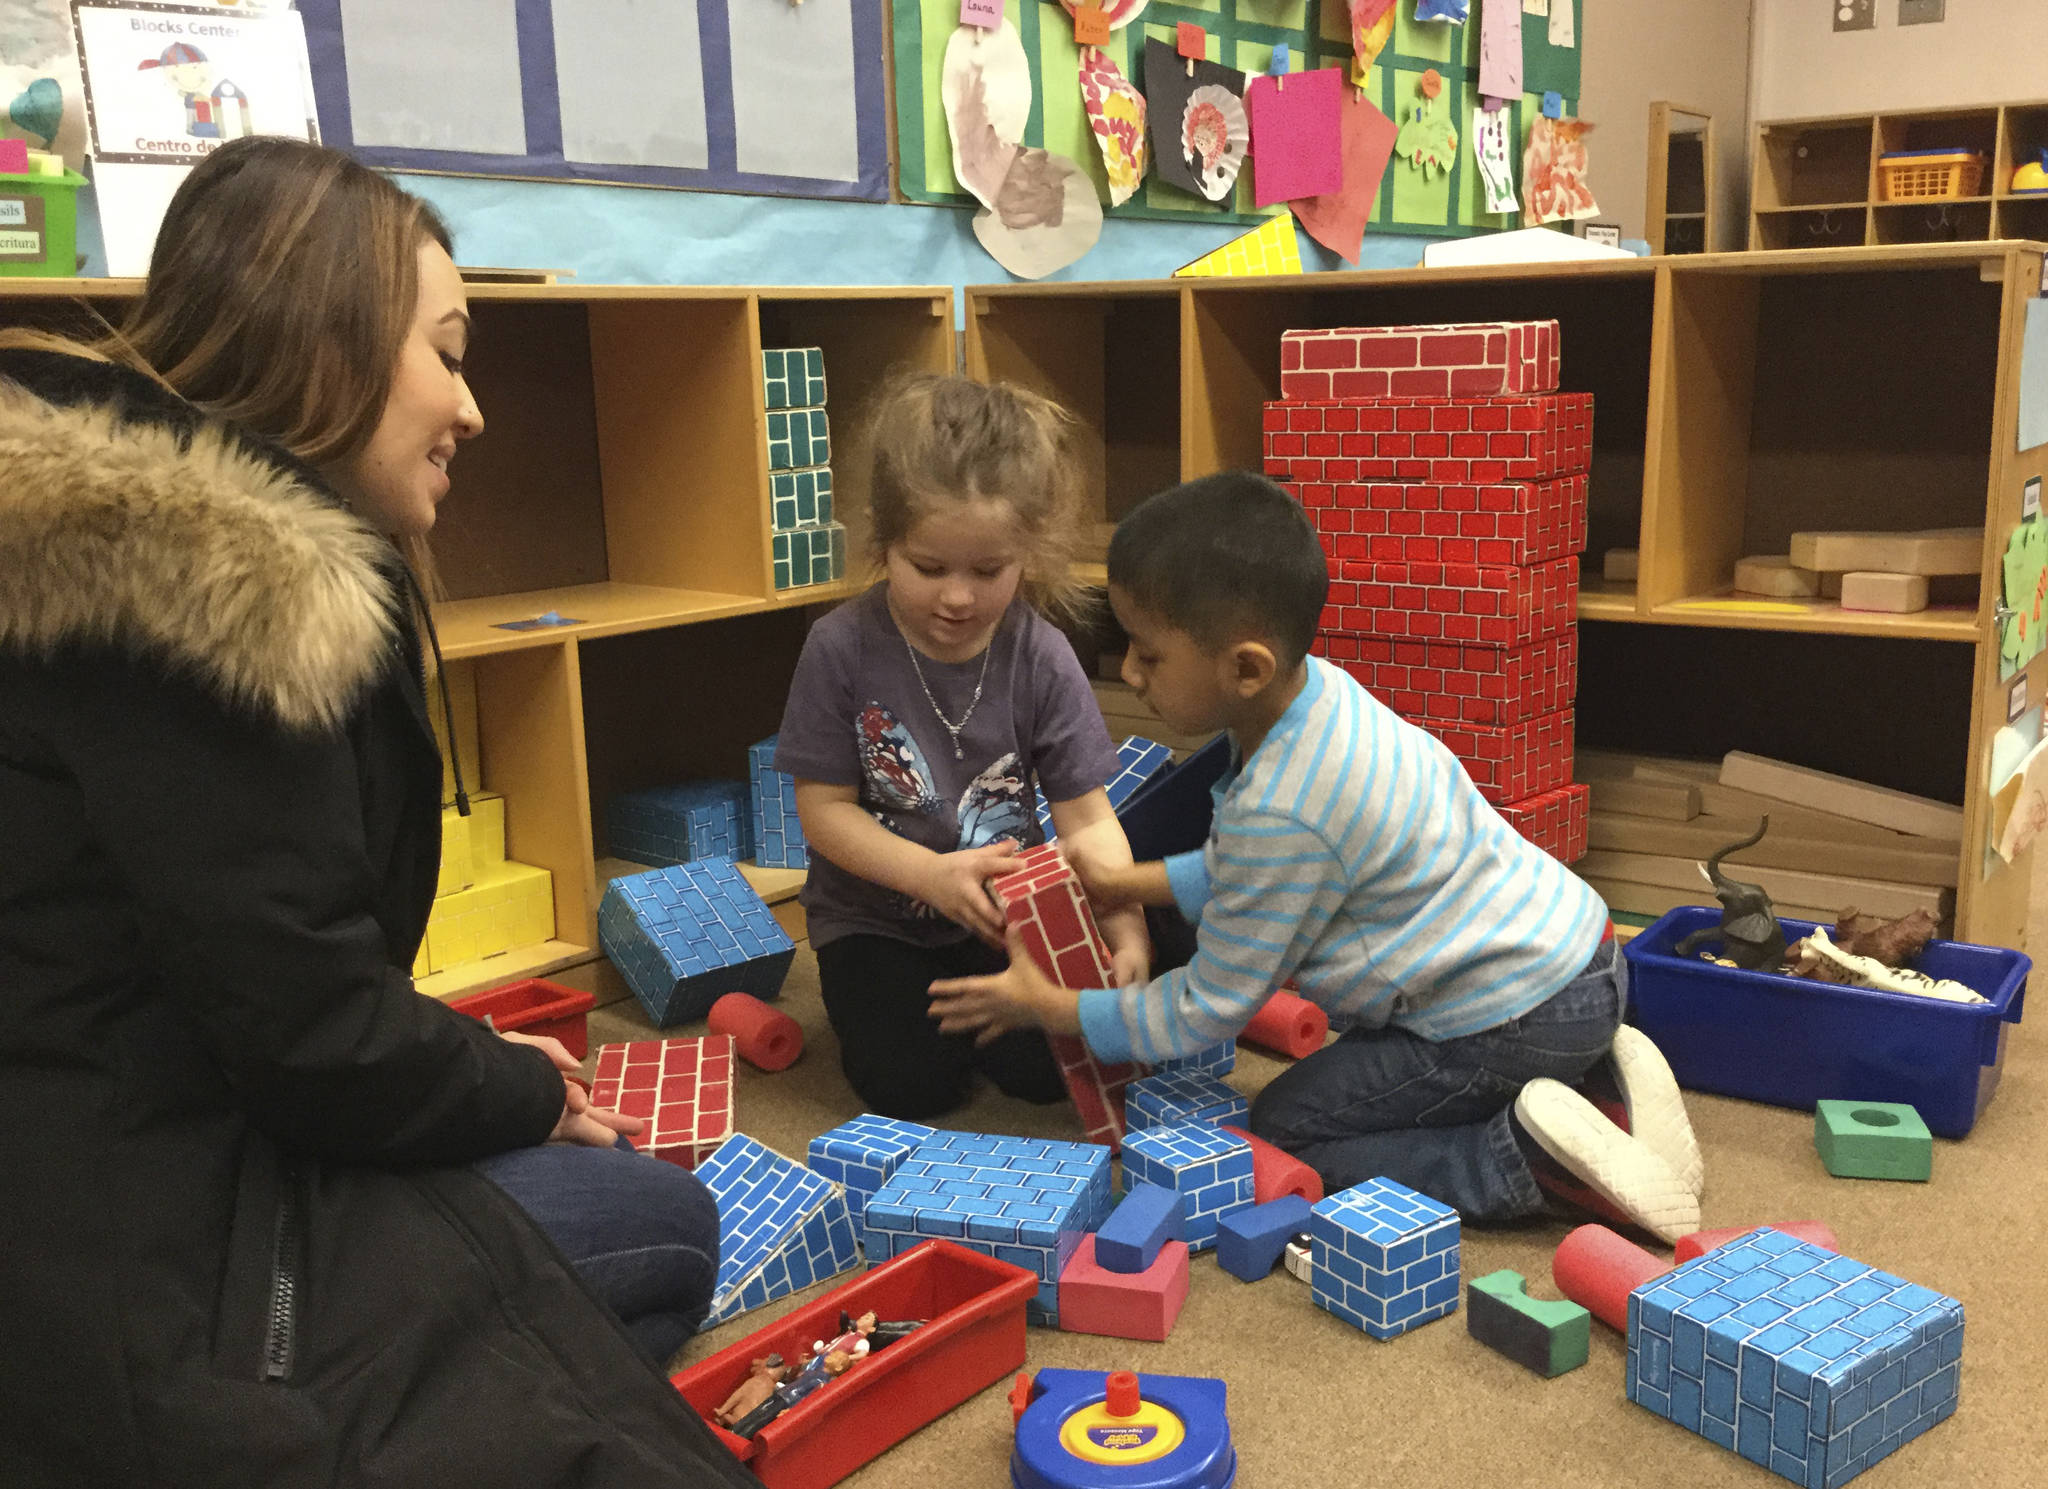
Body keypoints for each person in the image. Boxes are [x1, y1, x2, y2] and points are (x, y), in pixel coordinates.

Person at [0, 137, 749, 1487]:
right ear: (326, 339)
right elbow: (316, 1041)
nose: (474, 411)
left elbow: (252, 973)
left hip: (102, 1179)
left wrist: (465, 1072)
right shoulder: (205, 622)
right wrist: (514, 1087)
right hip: (136, 1280)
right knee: (661, 1228)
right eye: (449, 351)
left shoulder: (93, 566)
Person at [928, 471, 1705, 1244]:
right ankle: (1595, 1091)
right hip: (1578, 956)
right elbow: (1249, 866)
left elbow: (1209, 1006)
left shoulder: (1284, 807)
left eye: (1149, 654)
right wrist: (1125, 881)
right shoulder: (1317, 699)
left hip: (1507, 1016)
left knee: (1290, 1126)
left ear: (1245, 668)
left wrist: (1055, 1009)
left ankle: (1520, 1161)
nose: (1128, 671)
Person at [774, 372, 1148, 1120]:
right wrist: (929, 875)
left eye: (988, 571)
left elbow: (1086, 817)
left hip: (1006, 915)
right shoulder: (839, 648)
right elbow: (823, 813)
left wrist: (1126, 927)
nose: (957, 597)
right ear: (884, 542)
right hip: (876, 922)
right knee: (910, 1085)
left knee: (1049, 1070)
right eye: (929, 566)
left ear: (1029, 554)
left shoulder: (1040, 655)